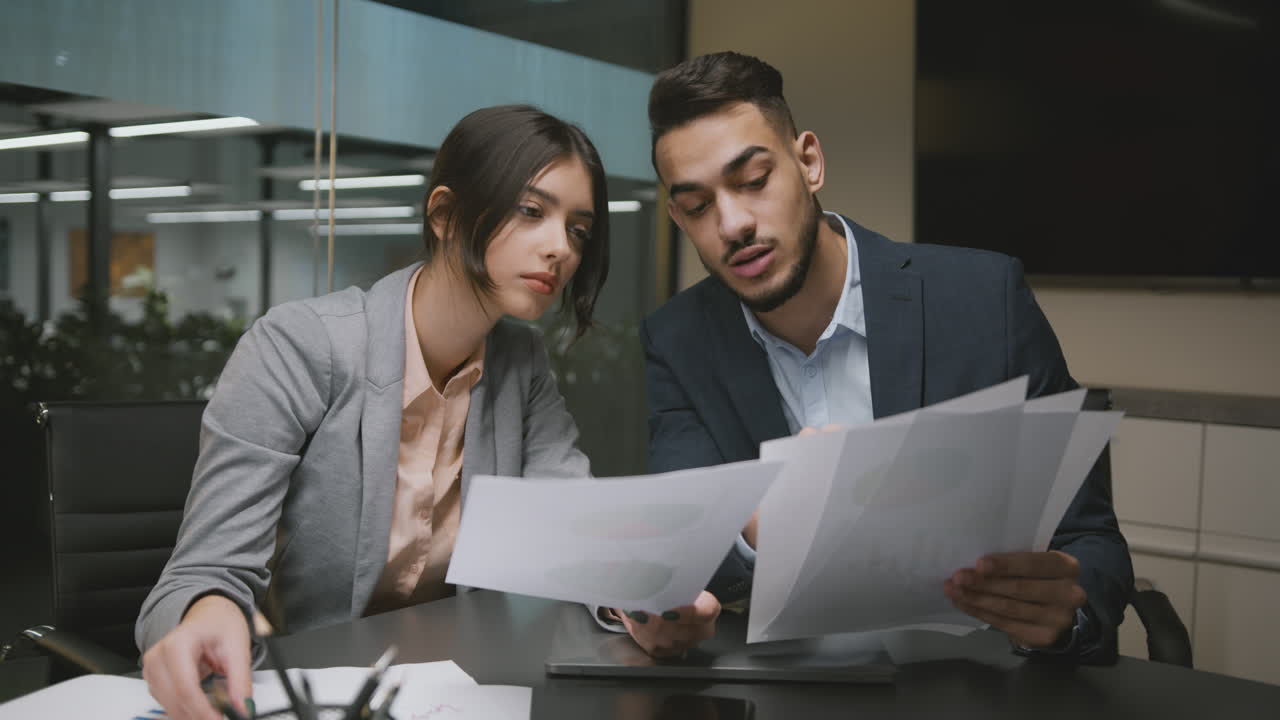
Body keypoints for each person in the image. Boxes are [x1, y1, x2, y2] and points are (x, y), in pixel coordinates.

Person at [615, 52, 1132, 662]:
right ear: (678, 216)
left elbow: (1092, 540)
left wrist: (1062, 617)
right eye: (699, 206)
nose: (733, 224)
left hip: (965, 681)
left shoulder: (984, 299)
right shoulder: (677, 339)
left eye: (754, 181)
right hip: (786, 687)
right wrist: (760, 529)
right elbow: (689, 535)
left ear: (809, 162)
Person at [135, 104, 610, 720]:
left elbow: (573, 526)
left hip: (452, 693)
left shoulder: (521, 363)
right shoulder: (298, 345)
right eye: (531, 211)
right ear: (444, 214)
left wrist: (639, 599)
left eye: (578, 229)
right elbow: (203, 572)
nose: (559, 249)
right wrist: (209, 610)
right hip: (307, 695)